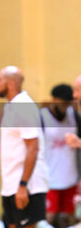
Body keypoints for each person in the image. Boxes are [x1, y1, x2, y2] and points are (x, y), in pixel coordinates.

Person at [0, 66, 49, 228]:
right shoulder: (10, 106)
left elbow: (33, 148)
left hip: (27, 186)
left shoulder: (24, 106)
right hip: (10, 186)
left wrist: (23, 186)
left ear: (11, 84)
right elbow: (6, 145)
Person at [41, 84, 78, 227]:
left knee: (68, 220)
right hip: (50, 179)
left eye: (68, 102)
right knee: (48, 220)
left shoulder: (73, 115)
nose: (66, 106)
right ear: (54, 99)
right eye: (63, 102)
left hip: (71, 178)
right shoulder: (42, 117)